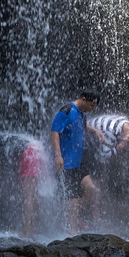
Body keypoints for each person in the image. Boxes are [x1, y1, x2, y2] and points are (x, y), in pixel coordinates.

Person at [50, 88, 104, 232]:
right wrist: (58, 155)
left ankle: (68, 216)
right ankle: (71, 229)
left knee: (90, 189)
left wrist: (95, 130)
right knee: (73, 197)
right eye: (91, 105)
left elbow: (81, 124)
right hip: (66, 163)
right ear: (83, 99)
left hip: (78, 161)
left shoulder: (81, 113)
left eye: (94, 107)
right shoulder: (66, 110)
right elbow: (55, 131)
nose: (92, 109)